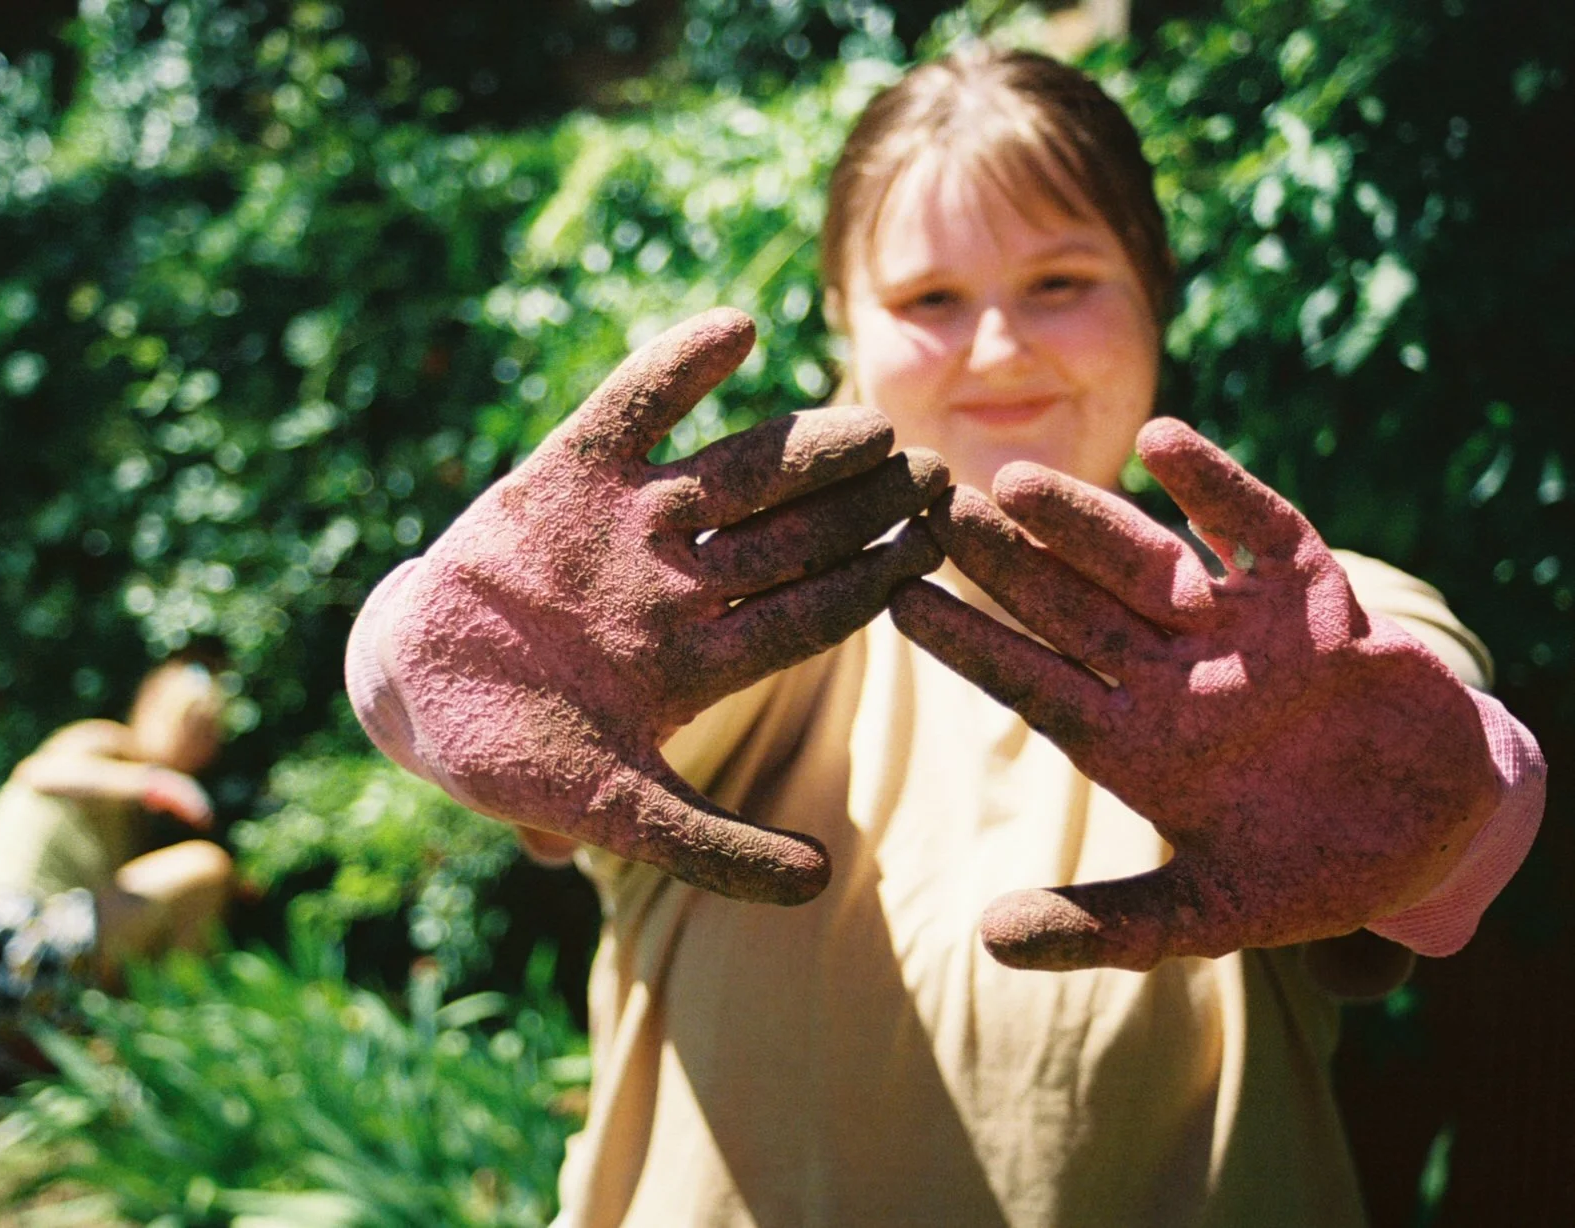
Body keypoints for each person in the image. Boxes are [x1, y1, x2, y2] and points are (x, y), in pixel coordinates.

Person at [346, 44, 1546, 1227]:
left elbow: (1449, 763)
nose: (997, 348)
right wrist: (434, 650)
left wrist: (1437, 810)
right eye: (929, 299)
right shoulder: (729, 638)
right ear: (842, 327)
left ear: (1156, 295)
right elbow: (475, 687)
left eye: (1061, 282)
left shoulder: (1314, 633)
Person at [0, 650, 235, 1081]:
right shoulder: (106, 743)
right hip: (2, 938)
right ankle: (175, 1044)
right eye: (191, 723)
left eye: (211, 733)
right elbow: (38, 771)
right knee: (207, 869)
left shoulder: (129, 821)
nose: (203, 745)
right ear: (148, 705)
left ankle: (113, 1061)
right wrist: (150, 782)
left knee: (189, 895)